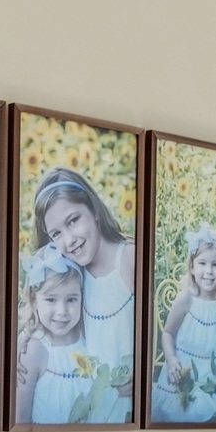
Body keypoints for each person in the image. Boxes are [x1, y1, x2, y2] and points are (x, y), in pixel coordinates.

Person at [31, 165, 135, 410]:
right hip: (94, 402)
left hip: (130, 402)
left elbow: (152, 332)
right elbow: (46, 305)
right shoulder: (72, 272)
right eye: (56, 233)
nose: (69, 240)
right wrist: (26, 335)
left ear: (94, 210)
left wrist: (142, 369)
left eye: (73, 221)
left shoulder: (129, 257)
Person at [153, 225, 216, 424]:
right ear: (192, 268)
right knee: (203, 413)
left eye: (215, 264)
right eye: (202, 263)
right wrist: (171, 360)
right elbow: (168, 333)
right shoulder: (186, 300)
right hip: (187, 380)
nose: (209, 271)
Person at [15, 247, 98, 426]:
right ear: (34, 299)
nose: (62, 312)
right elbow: (21, 418)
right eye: (51, 300)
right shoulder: (35, 350)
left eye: (71, 299)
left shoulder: (88, 337)